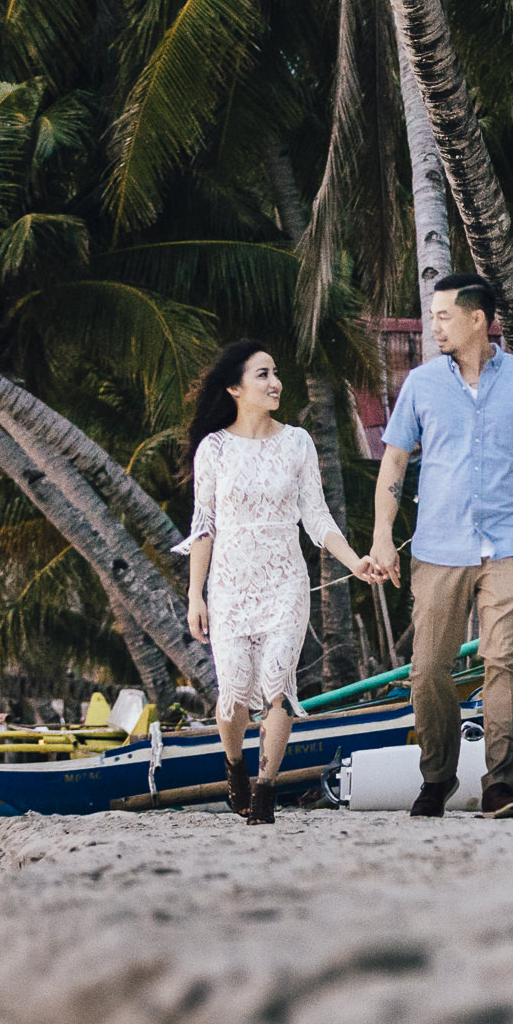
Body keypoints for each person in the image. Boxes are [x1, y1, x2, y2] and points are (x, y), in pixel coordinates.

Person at [365, 273, 513, 819]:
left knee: (505, 661)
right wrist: (382, 537)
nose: (433, 324)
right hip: (438, 547)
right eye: (432, 315)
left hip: (507, 542)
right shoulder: (421, 384)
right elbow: (394, 460)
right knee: (428, 669)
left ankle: (500, 786)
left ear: (477, 320)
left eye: (442, 315)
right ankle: (436, 779)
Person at [183, 340, 376, 825]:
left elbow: (316, 514)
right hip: (228, 586)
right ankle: (235, 765)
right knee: (232, 693)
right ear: (234, 388)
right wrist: (195, 595)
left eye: (276, 373)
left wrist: (354, 561)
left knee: (277, 686)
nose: (275, 383)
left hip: (285, 583)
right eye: (263, 375)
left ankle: (265, 791)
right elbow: (203, 526)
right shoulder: (214, 448)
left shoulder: (297, 442)